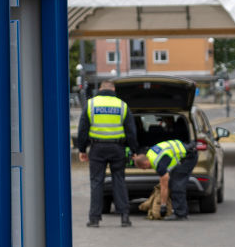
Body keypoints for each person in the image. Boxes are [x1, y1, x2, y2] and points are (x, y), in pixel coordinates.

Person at [76, 79, 138, 228]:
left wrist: (82, 149)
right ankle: (124, 216)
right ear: (113, 89)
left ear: (101, 89)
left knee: (96, 182)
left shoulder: (91, 104)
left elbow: (83, 129)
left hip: (97, 148)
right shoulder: (122, 105)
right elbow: (131, 131)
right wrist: (134, 150)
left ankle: (94, 218)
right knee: (119, 181)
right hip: (117, 148)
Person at [132, 139, 198, 221]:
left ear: (145, 163)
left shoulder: (159, 163)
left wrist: (163, 205)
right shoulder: (150, 153)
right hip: (185, 152)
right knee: (174, 182)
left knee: (177, 185)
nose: (145, 170)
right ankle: (179, 209)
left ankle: (180, 214)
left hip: (189, 157)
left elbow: (164, 186)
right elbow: (139, 159)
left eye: (143, 168)